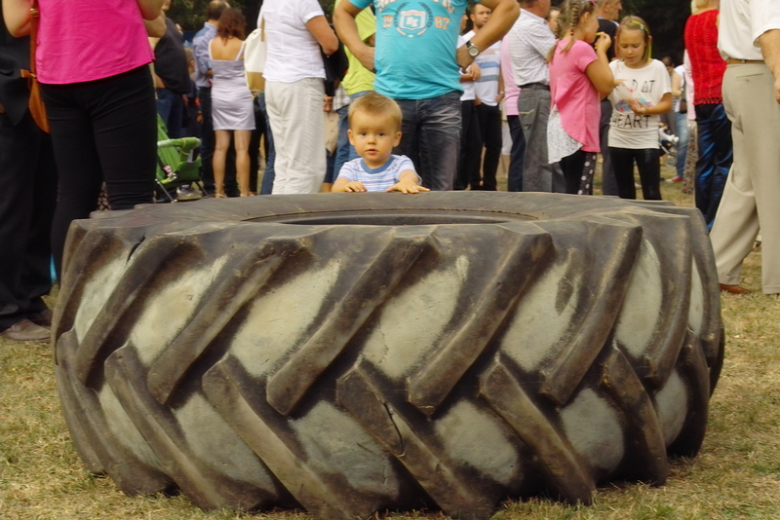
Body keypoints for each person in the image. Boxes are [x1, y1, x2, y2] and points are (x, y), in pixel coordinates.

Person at [3, 0, 163, 279]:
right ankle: (131, 306)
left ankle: (71, 304)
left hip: (57, 72)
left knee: (74, 195)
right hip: (117, 61)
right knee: (131, 199)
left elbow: (16, 24)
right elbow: (151, 10)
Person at [334, 0, 519, 192]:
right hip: (392, 99)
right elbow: (342, 12)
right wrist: (359, 51)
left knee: (441, 191)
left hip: (442, 97)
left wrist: (472, 48)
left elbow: (509, 7)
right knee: (388, 188)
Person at [710, 0, 780, 295]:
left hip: (741, 75)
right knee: (773, 180)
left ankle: (717, 267)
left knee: (748, 181)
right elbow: (769, 29)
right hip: (760, 75)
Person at [0, 8, 57, 342]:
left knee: (41, 200)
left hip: (44, 87)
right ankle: (6, 310)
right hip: (9, 89)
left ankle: (31, 295)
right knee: (10, 206)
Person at [260, 0, 339, 194]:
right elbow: (330, 44)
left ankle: (277, 217)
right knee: (307, 167)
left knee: (285, 165)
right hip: (300, 80)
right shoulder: (305, 2)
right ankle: (296, 222)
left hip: (274, 81)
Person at [547, 0, 613, 195]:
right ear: (585, 18)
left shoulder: (558, 47)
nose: (598, 27)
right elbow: (606, 85)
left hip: (561, 130)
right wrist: (601, 51)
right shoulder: (581, 48)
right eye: (595, 22)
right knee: (580, 195)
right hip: (579, 133)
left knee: (570, 189)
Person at [607, 16, 671, 200]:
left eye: (635, 46)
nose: (629, 51)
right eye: (624, 46)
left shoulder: (657, 68)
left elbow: (666, 103)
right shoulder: (613, 67)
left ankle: (654, 227)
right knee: (625, 192)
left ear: (647, 42)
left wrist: (647, 111)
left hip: (646, 139)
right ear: (617, 43)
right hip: (618, 139)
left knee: (651, 192)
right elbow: (600, 92)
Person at [508, 0, 564, 193]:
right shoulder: (530, 25)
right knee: (541, 160)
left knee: (546, 158)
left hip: (536, 94)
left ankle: (554, 205)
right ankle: (543, 207)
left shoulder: (531, 22)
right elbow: (561, 56)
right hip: (537, 93)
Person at [685, 0, 732, 228]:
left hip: (701, 98)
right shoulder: (719, 18)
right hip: (721, 95)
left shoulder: (691, 21)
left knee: (704, 162)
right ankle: (713, 221)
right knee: (724, 162)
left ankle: (700, 216)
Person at [332, 92, 428, 194]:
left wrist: (406, 182)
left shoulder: (400, 164)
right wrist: (345, 186)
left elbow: (409, 175)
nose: (371, 141)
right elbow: (336, 188)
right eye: (363, 134)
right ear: (351, 137)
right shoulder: (351, 168)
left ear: (396, 138)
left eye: (381, 134)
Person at [209, 8, 254, 198]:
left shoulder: (212, 44)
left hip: (218, 94)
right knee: (242, 148)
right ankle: (244, 191)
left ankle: (219, 190)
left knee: (220, 147)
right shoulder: (243, 45)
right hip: (240, 95)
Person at [192, 0, 230, 194]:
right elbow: (207, 69)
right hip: (209, 92)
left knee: (225, 140)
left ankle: (228, 184)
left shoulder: (221, 36)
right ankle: (209, 185)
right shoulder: (204, 37)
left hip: (223, 90)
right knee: (210, 140)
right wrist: (234, 67)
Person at [466, 3, 503, 191]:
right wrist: (476, 97)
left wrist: (501, 92)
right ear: (472, 17)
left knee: (495, 145)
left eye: (489, 12)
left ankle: (490, 183)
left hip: (494, 100)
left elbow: (502, 68)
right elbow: (465, 68)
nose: (486, 16)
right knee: (476, 146)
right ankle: (474, 182)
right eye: (481, 13)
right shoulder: (467, 41)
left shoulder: (497, 41)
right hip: (477, 101)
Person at [594, 0, 621, 196]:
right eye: (618, 3)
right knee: (612, 155)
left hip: (587, 100)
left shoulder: (580, 32)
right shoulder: (611, 28)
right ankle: (613, 196)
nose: (620, 8)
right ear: (607, 4)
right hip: (608, 99)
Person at [153, 0, 190, 139]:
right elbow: (146, 51)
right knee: (160, 140)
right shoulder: (151, 23)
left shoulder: (168, 21)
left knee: (175, 141)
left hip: (176, 92)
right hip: (162, 92)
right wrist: (156, 81)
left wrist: (182, 89)